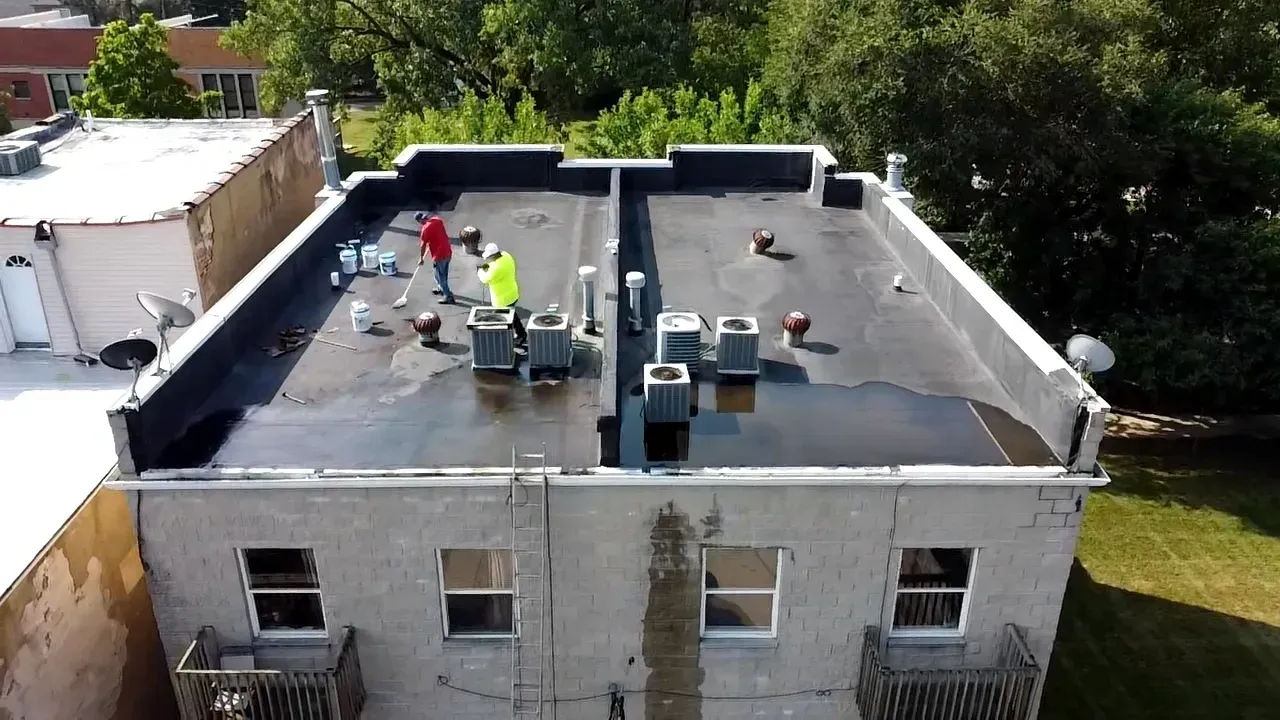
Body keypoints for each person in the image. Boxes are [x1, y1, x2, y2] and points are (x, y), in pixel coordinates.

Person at [477, 242, 527, 346]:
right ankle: (520, 333)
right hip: (512, 293)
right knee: (512, 314)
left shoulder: (496, 269)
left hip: (502, 299)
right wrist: (488, 266)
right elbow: (494, 265)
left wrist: (480, 271)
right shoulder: (506, 256)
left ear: (492, 256)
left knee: (502, 319)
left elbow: (485, 279)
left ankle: (506, 339)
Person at [415, 211, 454, 304]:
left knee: (441, 276)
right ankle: (440, 287)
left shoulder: (425, 229)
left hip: (439, 255)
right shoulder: (438, 220)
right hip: (447, 251)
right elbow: (438, 234)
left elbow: (423, 245)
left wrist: (421, 258)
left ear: (420, 221)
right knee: (439, 272)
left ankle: (448, 296)